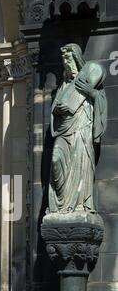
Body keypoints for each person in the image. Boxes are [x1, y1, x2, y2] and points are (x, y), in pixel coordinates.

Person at [48, 43, 107, 214]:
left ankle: (80, 205)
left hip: (82, 129)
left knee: (81, 164)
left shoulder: (89, 78)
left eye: (69, 59)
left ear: (77, 59)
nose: (66, 63)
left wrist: (92, 92)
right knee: (55, 160)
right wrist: (58, 110)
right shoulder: (64, 85)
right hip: (64, 130)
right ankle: (60, 206)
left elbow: (101, 104)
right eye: (64, 60)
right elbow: (55, 107)